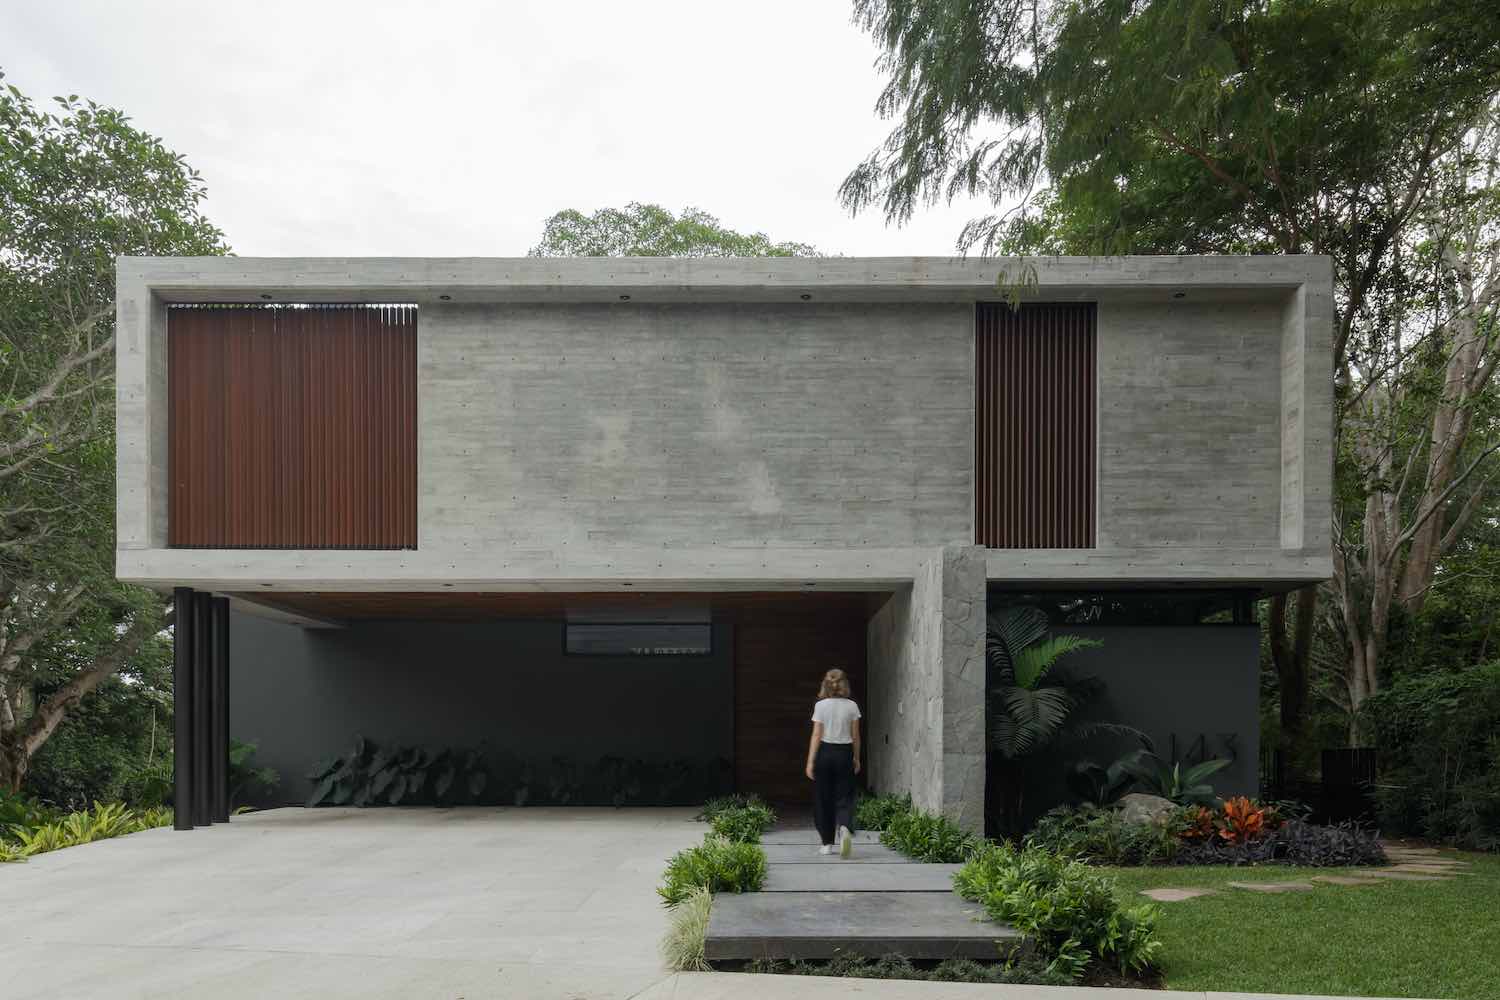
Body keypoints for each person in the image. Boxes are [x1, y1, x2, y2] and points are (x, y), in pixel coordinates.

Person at [804, 668, 861, 857]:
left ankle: (827, 843)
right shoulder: (852, 706)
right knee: (845, 795)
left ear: (825, 685)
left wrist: (810, 761)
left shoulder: (821, 706)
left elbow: (816, 735)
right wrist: (856, 757)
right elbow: (856, 736)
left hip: (825, 753)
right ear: (844, 684)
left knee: (823, 798)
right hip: (844, 753)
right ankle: (844, 826)